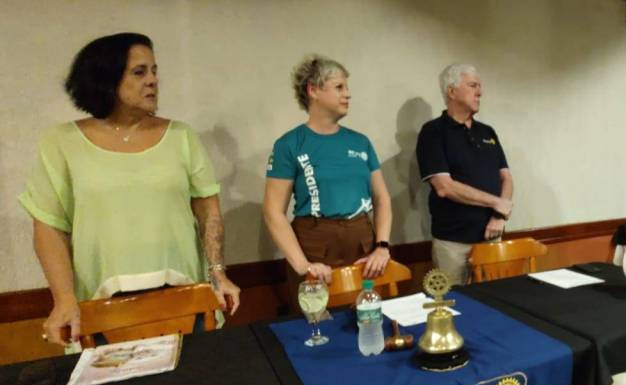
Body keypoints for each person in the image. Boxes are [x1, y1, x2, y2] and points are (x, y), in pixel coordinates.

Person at [20, 33, 241, 346]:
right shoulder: (61, 143)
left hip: (185, 300)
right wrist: (64, 299)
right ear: (106, 78)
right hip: (100, 309)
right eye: (139, 72)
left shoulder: (181, 136)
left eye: (154, 71)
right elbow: (49, 228)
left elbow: (209, 211)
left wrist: (218, 273)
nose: (152, 80)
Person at [263, 55, 392, 304]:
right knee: (317, 318)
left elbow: (381, 198)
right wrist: (303, 265)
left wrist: (382, 246)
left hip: (362, 244)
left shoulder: (360, 142)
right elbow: (272, 211)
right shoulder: (289, 144)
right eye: (339, 87)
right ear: (313, 90)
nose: (348, 94)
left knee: (369, 314)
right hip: (314, 245)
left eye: (347, 87)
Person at [416, 64, 513, 284]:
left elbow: (506, 177)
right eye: (473, 85)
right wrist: (497, 203)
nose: (480, 92)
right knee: (454, 302)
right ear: (452, 91)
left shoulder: (487, 132)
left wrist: (498, 216)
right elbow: (444, 187)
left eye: (479, 86)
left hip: (492, 237)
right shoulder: (433, 132)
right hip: (453, 244)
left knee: (495, 300)